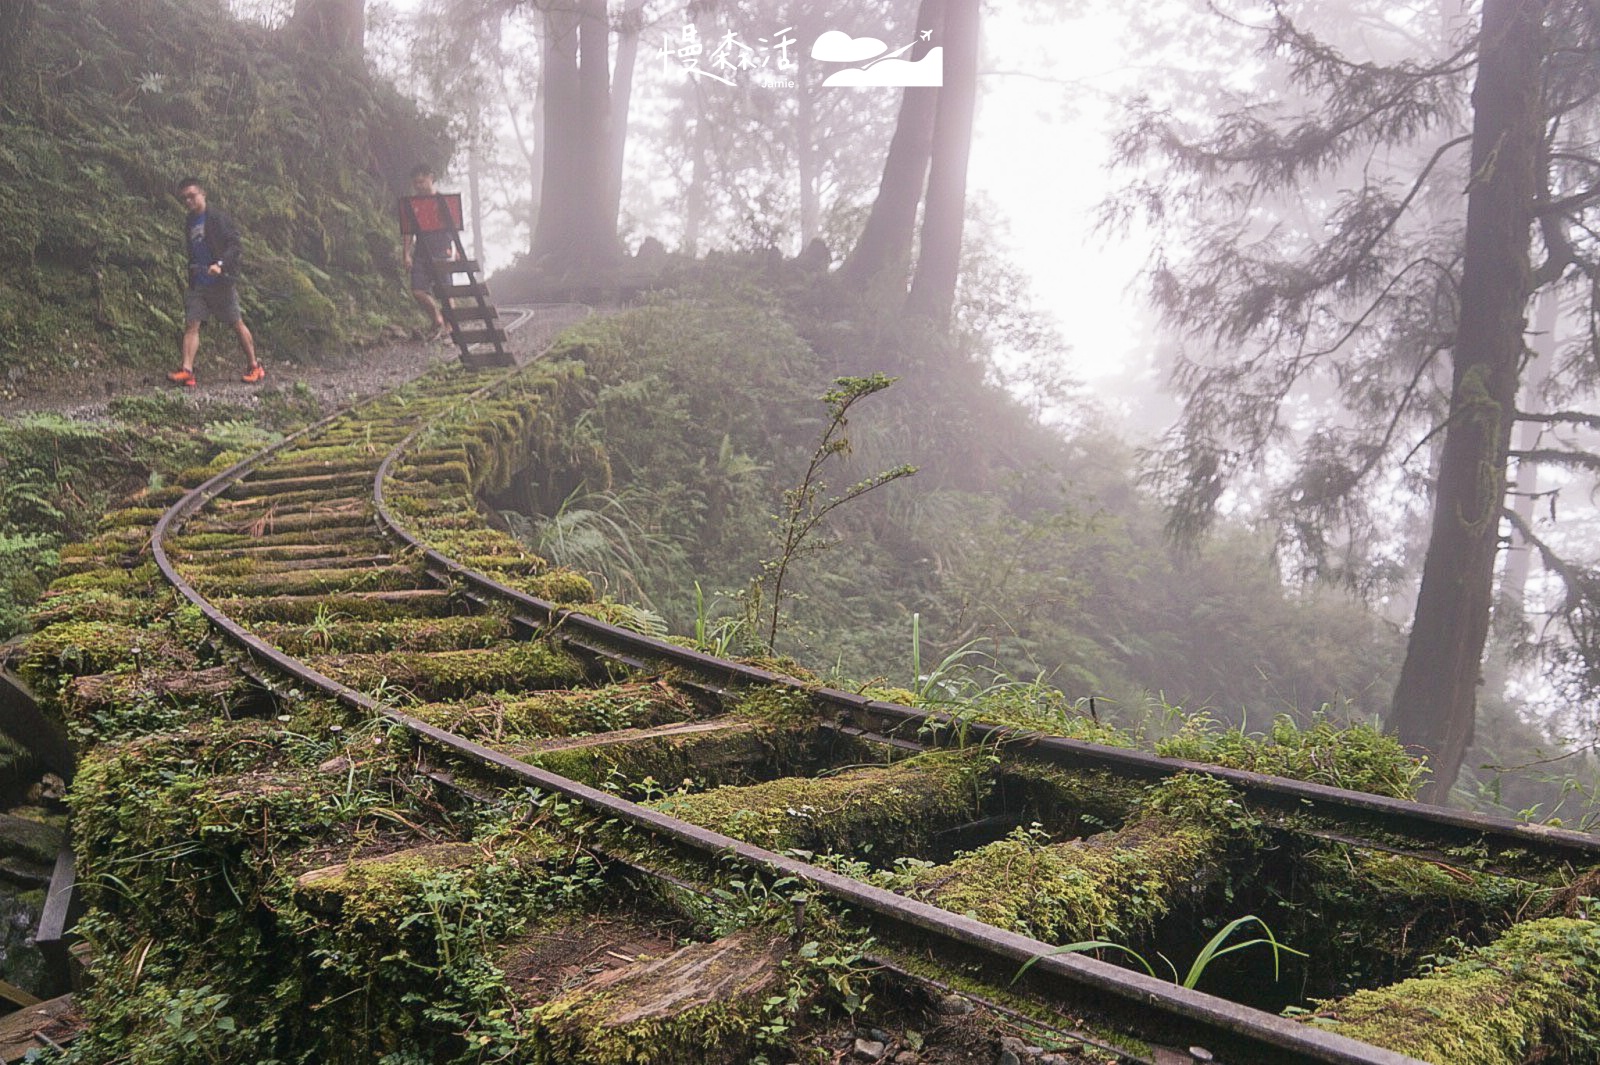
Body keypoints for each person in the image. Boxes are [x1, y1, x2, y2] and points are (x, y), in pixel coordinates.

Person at [168, 177, 263, 387]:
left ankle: (254, 366)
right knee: (192, 323)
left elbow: (235, 245)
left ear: (203, 194)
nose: (188, 201)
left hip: (221, 283)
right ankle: (187, 370)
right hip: (198, 283)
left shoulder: (217, 218)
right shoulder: (189, 221)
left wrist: (220, 264)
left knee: (236, 323)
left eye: (192, 196)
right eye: (185, 198)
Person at [402, 164, 455, 339]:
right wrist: (406, 253)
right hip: (421, 252)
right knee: (417, 290)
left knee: (447, 291)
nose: (419, 186)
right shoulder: (412, 204)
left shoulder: (442, 201)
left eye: (422, 181)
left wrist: (456, 249)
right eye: (415, 183)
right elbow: (408, 230)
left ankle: (449, 327)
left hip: (442, 249)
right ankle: (436, 317)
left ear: (431, 177)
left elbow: (453, 226)